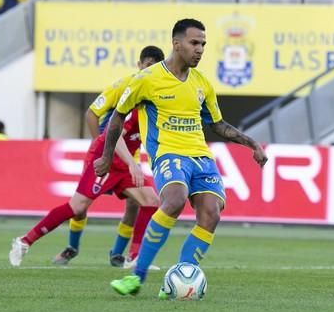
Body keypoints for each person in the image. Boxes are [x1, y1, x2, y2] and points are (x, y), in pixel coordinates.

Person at [96, 18, 268, 297]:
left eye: (203, 44)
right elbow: (117, 117)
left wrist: (252, 144)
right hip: (168, 153)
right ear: (176, 44)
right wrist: (106, 157)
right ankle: (136, 277)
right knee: (174, 200)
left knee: (211, 213)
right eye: (194, 43)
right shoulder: (147, 79)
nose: (199, 49)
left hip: (200, 155)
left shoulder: (202, 84)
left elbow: (218, 124)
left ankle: (180, 280)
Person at [52, 46, 164, 269]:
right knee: (81, 206)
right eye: (146, 65)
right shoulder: (124, 85)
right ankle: (72, 247)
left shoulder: (158, 92)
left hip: (129, 155)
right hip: (106, 153)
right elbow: (92, 113)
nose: (148, 69)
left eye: (154, 66)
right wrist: (102, 150)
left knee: (137, 203)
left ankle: (118, 254)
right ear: (139, 65)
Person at [8, 108, 160, 268]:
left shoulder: (158, 109)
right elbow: (113, 135)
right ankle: (24, 242)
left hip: (124, 164)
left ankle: (134, 257)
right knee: (77, 207)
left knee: (151, 201)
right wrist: (131, 164)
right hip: (107, 160)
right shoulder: (135, 109)